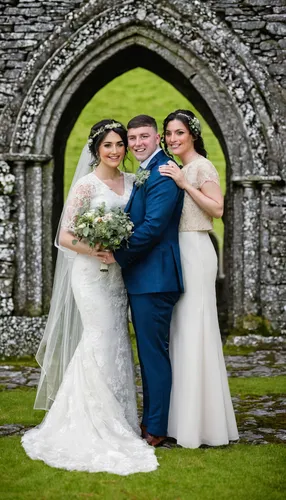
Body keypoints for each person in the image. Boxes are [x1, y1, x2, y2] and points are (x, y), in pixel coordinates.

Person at [21, 119, 158, 475]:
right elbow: (64, 236)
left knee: (117, 340)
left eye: (119, 145)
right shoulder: (86, 185)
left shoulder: (132, 181)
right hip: (90, 274)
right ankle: (89, 421)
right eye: (108, 145)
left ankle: (120, 418)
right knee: (98, 337)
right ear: (96, 149)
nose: (115, 151)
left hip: (119, 276)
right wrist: (96, 247)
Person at [96, 115, 184, 447]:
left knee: (152, 355)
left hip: (156, 279)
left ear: (157, 138)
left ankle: (156, 428)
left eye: (143, 137)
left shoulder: (162, 173)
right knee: (149, 353)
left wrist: (118, 255)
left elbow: (153, 227)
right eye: (131, 138)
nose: (136, 144)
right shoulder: (147, 171)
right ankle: (151, 420)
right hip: (144, 278)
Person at [159, 109, 239, 448]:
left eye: (179, 132)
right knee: (182, 331)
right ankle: (182, 420)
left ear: (192, 134)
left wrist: (183, 184)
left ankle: (204, 425)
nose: (173, 139)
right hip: (180, 250)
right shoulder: (180, 167)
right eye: (169, 134)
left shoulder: (201, 167)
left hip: (196, 247)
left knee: (197, 330)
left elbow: (217, 209)